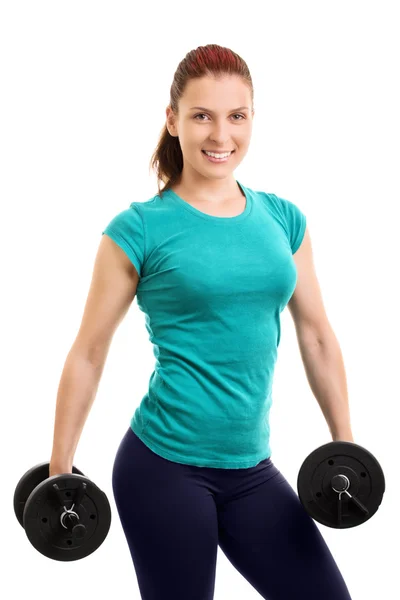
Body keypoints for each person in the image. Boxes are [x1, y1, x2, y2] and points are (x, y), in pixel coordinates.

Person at [49, 44, 353, 599]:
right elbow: (89, 351)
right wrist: (60, 469)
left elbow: (316, 335)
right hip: (162, 468)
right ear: (173, 119)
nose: (221, 136)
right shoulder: (138, 230)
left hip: (251, 470)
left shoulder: (284, 220)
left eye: (236, 116)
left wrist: (345, 446)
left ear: (253, 118)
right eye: (202, 116)